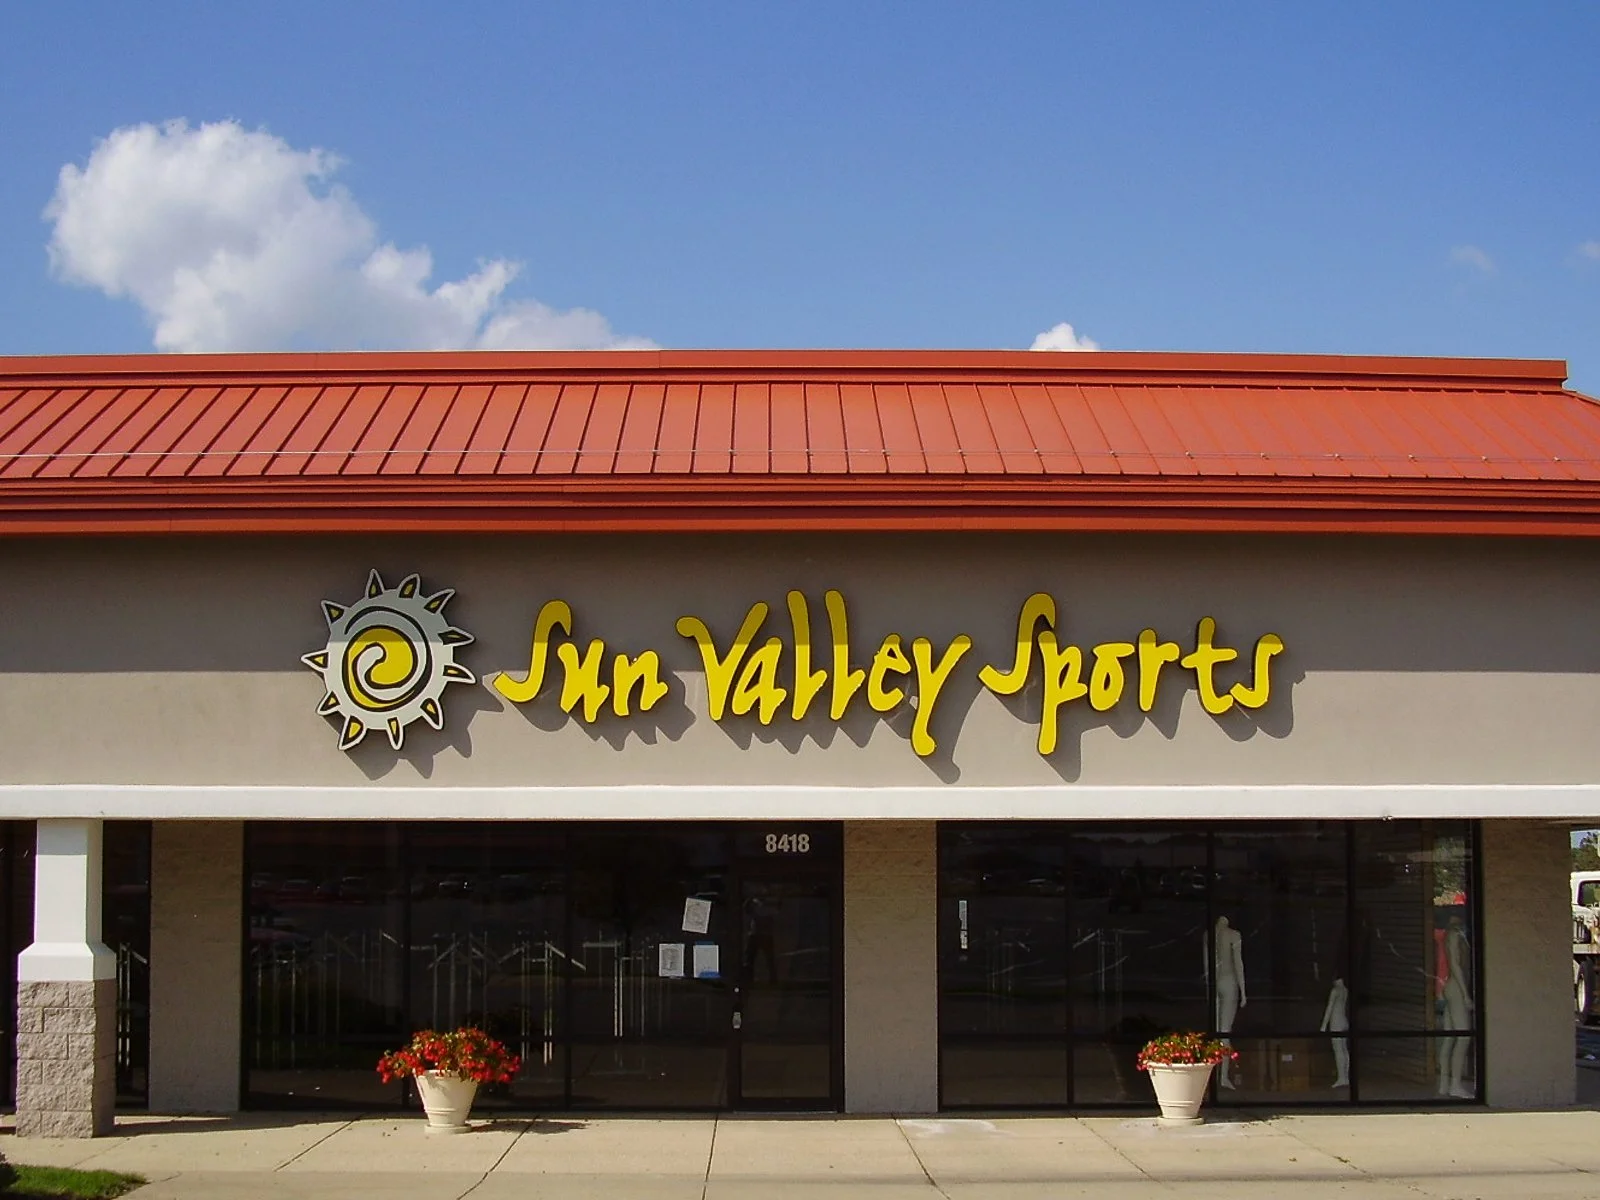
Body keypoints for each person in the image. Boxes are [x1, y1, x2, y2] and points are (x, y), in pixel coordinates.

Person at [1213, 915, 1246, 1088]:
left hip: (1216, 981)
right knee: (1225, 1031)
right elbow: (1238, 963)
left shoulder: (1209, 935)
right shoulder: (1234, 934)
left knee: (1217, 1030)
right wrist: (1244, 991)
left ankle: (1218, 1074)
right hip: (1229, 981)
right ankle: (1223, 1077)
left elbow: (1207, 964)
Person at [1320, 977, 1350, 1088]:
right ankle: (1346, 1076)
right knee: (1344, 1049)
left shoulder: (1335, 991)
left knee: (1338, 1050)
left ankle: (1341, 1078)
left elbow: (1329, 1008)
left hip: (1336, 1022)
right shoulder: (1345, 989)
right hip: (1344, 1020)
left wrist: (1324, 1025)